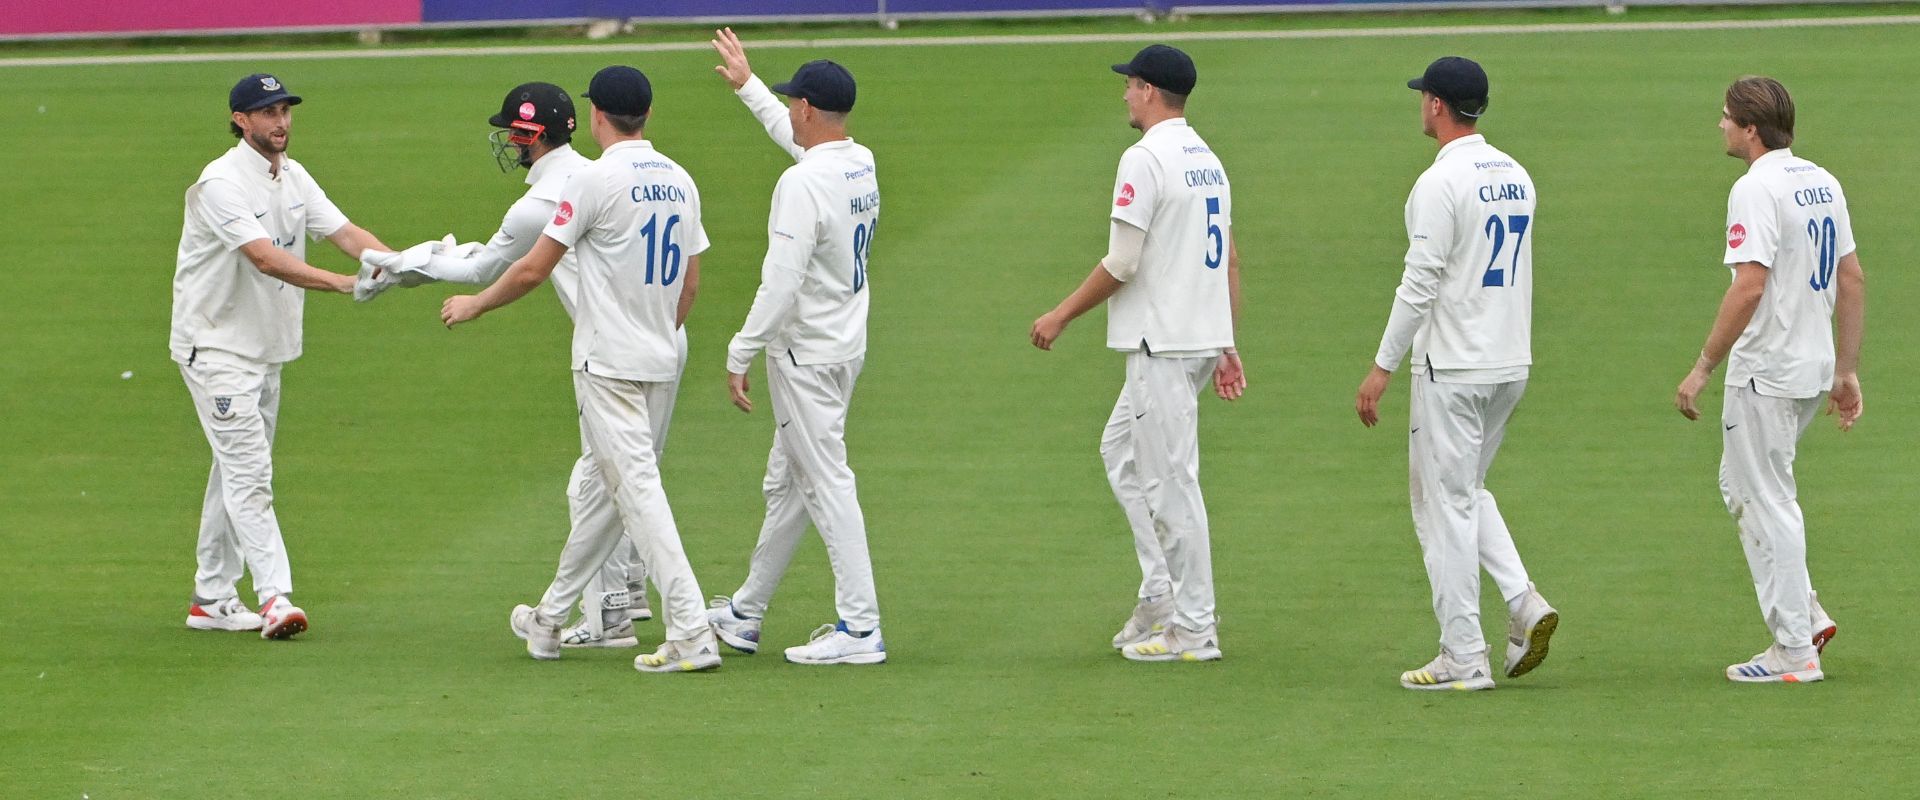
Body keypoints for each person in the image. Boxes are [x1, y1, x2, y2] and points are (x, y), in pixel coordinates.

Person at [357, 82, 669, 649]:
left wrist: (403, 266)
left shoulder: (539, 204)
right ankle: (623, 596)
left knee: (600, 484)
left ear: (531, 135)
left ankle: (609, 616)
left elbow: (489, 270)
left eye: (513, 132)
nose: (507, 140)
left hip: (612, 354)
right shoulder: (596, 172)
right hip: (663, 340)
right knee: (617, 478)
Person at [440, 65, 722, 674]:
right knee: (602, 492)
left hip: (608, 363)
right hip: (663, 354)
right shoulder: (680, 177)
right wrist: (659, 334)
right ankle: (548, 620)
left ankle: (693, 633)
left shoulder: (593, 181)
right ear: (646, 114)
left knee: (638, 493)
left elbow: (533, 268)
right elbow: (692, 279)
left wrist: (476, 304)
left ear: (597, 118)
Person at [1029, 44, 1243, 664]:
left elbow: (1123, 262)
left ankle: (1194, 626)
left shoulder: (1144, 158)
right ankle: (1160, 593)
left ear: (1151, 92)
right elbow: (1227, 256)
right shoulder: (1210, 160)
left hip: (1164, 344)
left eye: (1130, 85)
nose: (1124, 93)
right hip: (1196, 337)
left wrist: (1060, 314)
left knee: (1171, 483)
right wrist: (1226, 342)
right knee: (1120, 450)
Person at [1354, 57, 1558, 692]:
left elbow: (1420, 283)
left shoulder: (1439, 184)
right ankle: (1522, 600)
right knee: (1463, 490)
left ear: (1438, 106)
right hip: (1509, 361)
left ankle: (1463, 654)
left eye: (1424, 98)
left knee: (1440, 506)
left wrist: (1382, 366)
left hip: (1455, 366)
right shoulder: (1517, 175)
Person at [173, 73, 390, 640]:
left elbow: (345, 232)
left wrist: (413, 264)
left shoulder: (291, 175)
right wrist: (348, 286)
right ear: (240, 120)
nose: (281, 122)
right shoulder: (220, 184)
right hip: (217, 348)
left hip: (265, 349)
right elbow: (265, 259)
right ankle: (275, 598)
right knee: (249, 473)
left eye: (285, 110)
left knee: (233, 469)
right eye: (267, 113)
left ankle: (210, 598)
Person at [703, 28, 887, 666]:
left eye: (791, 104)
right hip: (844, 346)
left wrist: (739, 350)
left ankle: (861, 630)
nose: (789, 113)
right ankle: (746, 612)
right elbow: (797, 145)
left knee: (826, 482)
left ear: (807, 109)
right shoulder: (857, 160)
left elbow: (778, 282)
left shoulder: (803, 185)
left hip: (804, 354)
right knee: (791, 484)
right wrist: (748, 85)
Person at [1673, 75, 1863, 685]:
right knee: (1741, 481)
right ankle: (1803, 611)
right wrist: (1846, 367)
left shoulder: (1755, 189)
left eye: (1727, 117)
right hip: (1809, 368)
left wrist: (1703, 367)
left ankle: (1794, 650)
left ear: (1751, 128)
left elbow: (1749, 286)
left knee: (1769, 499)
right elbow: (1852, 278)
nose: (1721, 125)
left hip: (1766, 371)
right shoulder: (1821, 180)